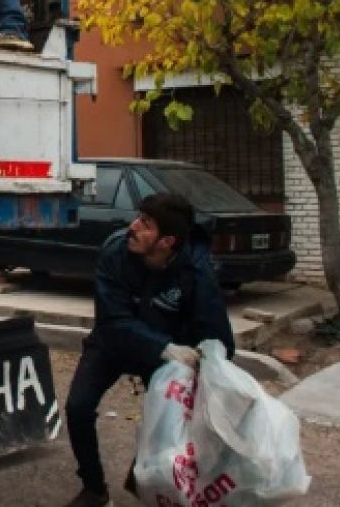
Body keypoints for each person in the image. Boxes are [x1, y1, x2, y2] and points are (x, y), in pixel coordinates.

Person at [64, 193, 235, 507]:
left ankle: (147, 476)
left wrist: (210, 365)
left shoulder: (195, 271)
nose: (133, 227)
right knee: (78, 407)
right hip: (114, 341)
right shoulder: (115, 252)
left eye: (145, 223)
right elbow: (113, 320)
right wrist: (164, 347)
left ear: (167, 241)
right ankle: (93, 489)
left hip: (166, 354)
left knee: (169, 418)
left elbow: (215, 332)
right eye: (138, 217)